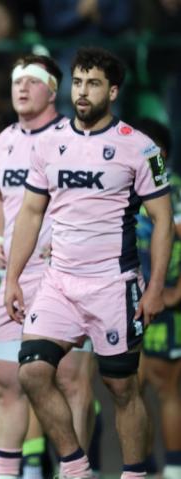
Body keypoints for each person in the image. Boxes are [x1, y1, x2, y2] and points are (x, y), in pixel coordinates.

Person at [5, 47, 173, 479]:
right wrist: (13, 278)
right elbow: (30, 213)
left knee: (122, 388)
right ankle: (76, 468)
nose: (82, 91)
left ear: (112, 91)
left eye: (93, 83)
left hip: (113, 286)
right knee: (32, 373)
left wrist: (154, 288)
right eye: (78, 82)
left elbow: (162, 220)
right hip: (59, 283)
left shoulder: (140, 147)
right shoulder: (48, 144)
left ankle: (135, 473)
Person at [0, 55, 95, 479]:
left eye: (32, 81)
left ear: (53, 90)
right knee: (6, 381)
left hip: (63, 278)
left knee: (70, 382)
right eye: (17, 81)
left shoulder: (75, 137)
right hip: (14, 280)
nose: (22, 88)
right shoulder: (2, 142)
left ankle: (74, 473)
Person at [133, 118, 181, 479]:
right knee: (128, 390)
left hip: (165, 306)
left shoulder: (173, 191)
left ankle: (173, 469)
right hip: (124, 303)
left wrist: (176, 292)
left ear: (159, 152)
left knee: (166, 389)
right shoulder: (125, 187)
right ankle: (143, 467)